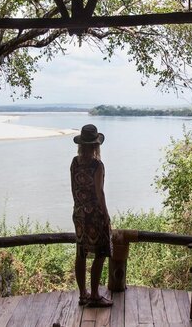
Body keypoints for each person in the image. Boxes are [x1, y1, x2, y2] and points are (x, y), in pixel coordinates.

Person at [70, 124, 113, 308]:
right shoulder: (97, 165)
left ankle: (82, 295)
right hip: (95, 214)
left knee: (81, 252)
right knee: (101, 252)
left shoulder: (74, 162)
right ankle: (94, 295)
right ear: (96, 145)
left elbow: (73, 189)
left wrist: (79, 207)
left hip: (79, 213)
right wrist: (106, 216)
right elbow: (99, 193)